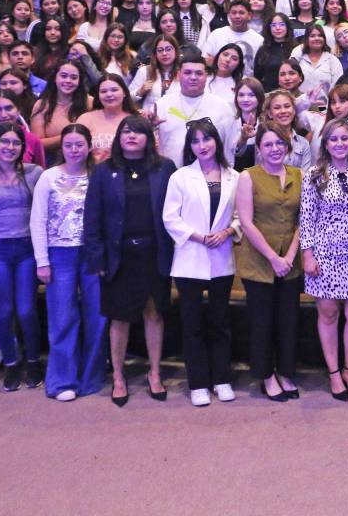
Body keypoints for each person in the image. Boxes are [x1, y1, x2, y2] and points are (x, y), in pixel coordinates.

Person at [83, 115, 176, 406]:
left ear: (149, 137)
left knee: (154, 313)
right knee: (120, 317)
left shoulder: (164, 168)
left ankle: (155, 373)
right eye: (126, 131)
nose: (132, 136)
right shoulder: (103, 171)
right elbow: (92, 217)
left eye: (138, 132)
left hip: (154, 252)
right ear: (118, 137)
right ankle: (119, 376)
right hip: (118, 255)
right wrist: (96, 257)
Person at [161, 118, 240, 407]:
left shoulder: (235, 176)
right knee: (192, 322)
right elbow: (170, 217)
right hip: (189, 259)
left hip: (221, 258)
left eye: (206, 139)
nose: (202, 146)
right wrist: (197, 237)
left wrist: (229, 231)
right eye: (195, 141)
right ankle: (198, 383)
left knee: (220, 322)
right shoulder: (180, 177)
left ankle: (221, 379)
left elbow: (242, 214)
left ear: (216, 142)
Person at [30, 125, 106, 401]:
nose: (74, 150)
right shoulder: (49, 177)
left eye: (79, 144)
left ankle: (91, 376)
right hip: (58, 254)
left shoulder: (99, 176)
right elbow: (37, 219)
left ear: (89, 146)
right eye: (68, 145)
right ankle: (62, 380)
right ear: (61, 148)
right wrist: (42, 260)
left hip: (92, 253)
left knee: (97, 316)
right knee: (62, 317)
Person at [301, 119, 348, 399]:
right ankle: (333, 373)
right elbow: (306, 218)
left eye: (345, 139)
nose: (340, 144)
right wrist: (308, 254)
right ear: (325, 144)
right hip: (324, 255)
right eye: (334, 140)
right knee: (328, 315)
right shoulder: (314, 175)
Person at [0, 123, 44, 392]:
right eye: (5, 142)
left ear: (23, 148)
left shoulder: (35, 173)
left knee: (26, 310)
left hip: (27, 249)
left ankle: (34, 361)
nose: (10, 147)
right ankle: (12, 363)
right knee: (4, 312)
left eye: (16, 143)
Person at [234, 124, 302, 401]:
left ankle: (285, 371)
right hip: (260, 261)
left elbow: (304, 220)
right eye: (268, 145)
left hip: (290, 260)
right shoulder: (248, 176)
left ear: (287, 147)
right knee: (262, 321)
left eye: (280, 144)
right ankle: (266, 375)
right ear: (259, 149)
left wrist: (288, 256)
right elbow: (247, 223)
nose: (275, 149)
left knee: (288, 321)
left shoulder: (300, 175)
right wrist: (274, 258)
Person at [154, 48, 235, 168]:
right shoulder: (161, 105)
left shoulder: (222, 107)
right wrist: (150, 126)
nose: (193, 77)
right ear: (178, 74)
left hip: (211, 175)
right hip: (170, 174)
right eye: (187, 72)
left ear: (206, 76)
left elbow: (229, 148)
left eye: (199, 73)